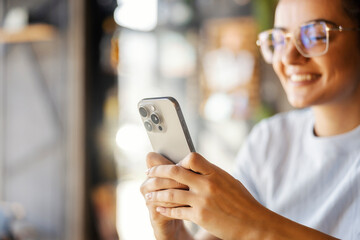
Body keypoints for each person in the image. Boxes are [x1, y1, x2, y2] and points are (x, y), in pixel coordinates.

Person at [140, 0, 360, 239]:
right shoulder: (270, 139)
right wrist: (174, 234)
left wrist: (251, 223)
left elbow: (245, 223)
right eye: (279, 39)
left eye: (316, 36)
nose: (288, 57)